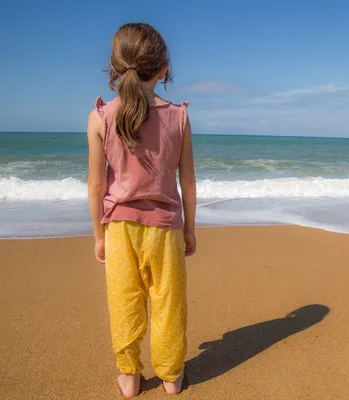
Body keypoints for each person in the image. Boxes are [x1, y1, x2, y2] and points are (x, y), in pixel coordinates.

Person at [87, 22, 197, 398]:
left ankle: (130, 377)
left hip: (119, 227)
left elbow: (97, 185)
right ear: (163, 69)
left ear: (116, 68)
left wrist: (99, 235)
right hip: (165, 227)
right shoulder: (178, 117)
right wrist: (190, 229)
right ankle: (170, 376)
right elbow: (188, 182)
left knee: (125, 301)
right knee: (167, 301)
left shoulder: (102, 116)